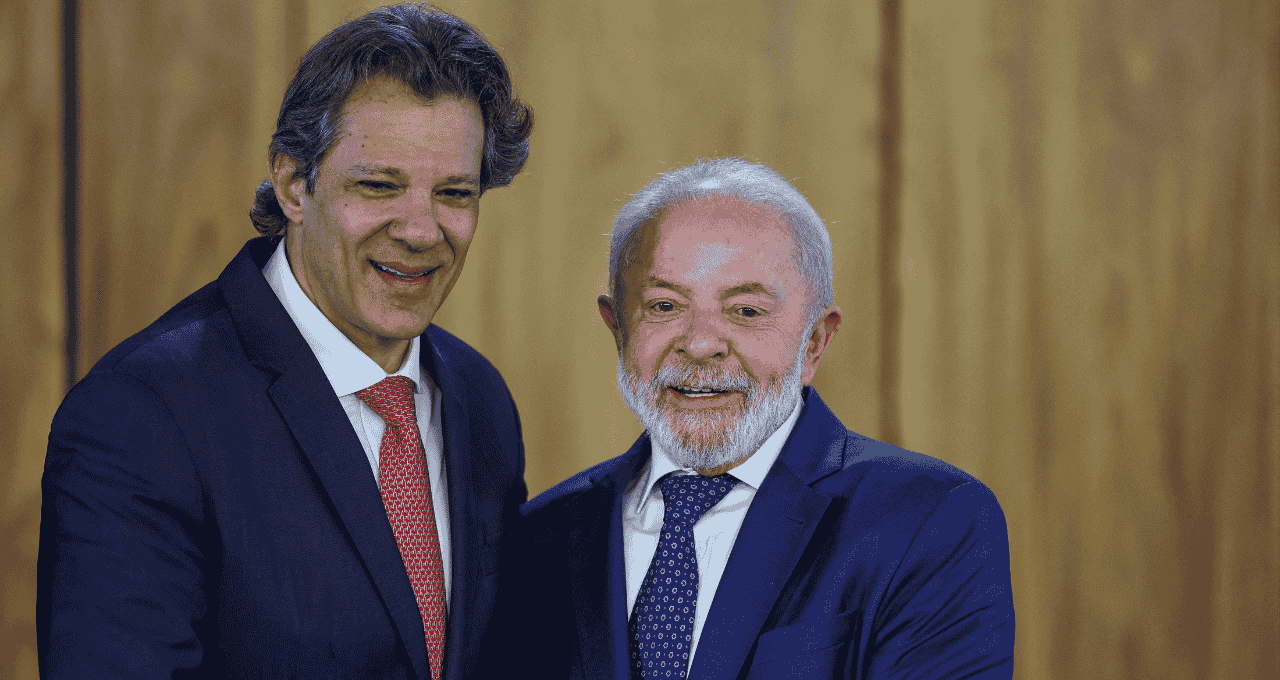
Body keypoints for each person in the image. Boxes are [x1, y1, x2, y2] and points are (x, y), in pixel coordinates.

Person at [38, 4, 533, 679]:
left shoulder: (480, 399)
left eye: (454, 192)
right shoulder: (142, 413)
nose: (421, 230)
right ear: (294, 183)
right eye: (379, 185)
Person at [520, 158, 1015, 679]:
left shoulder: (929, 521)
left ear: (815, 344)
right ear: (617, 328)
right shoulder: (539, 538)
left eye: (746, 312)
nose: (702, 344)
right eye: (664, 306)